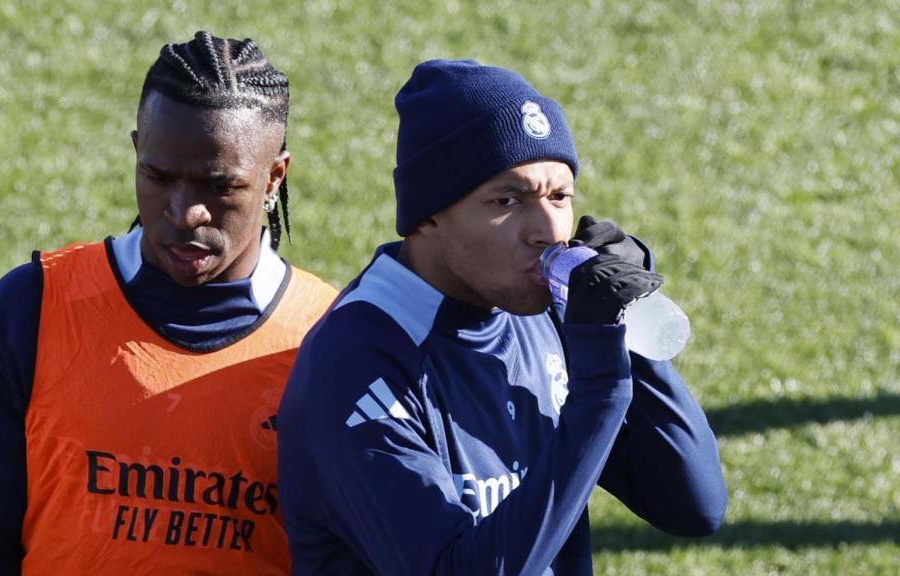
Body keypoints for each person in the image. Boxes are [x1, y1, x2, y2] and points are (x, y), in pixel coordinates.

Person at [278, 59, 727, 575]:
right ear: (428, 213)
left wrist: (626, 328)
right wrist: (600, 389)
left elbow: (693, 505)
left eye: (559, 196)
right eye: (507, 200)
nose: (548, 231)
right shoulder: (358, 362)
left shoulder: (549, 313)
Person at [0, 32, 338, 575]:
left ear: (274, 176)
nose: (184, 211)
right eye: (158, 176)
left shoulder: (328, 338)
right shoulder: (31, 308)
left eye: (219, 186)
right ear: (136, 152)